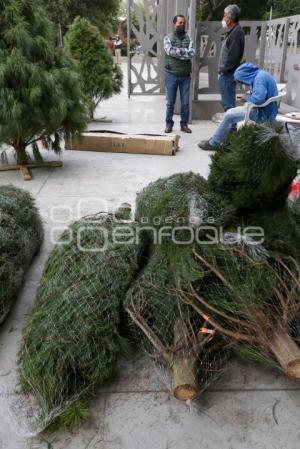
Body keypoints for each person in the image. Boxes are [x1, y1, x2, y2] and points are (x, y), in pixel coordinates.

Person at [198, 62, 279, 151]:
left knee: (229, 116)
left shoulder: (259, 79)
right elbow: (260, 94)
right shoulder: (261, 74)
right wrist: (249, 96)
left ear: (246, 75)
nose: (244, 83)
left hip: (261, 112)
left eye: (242, 81)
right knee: (229, 112)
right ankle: (219, 139)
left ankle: (213, 143)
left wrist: (246, 98)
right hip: (264, 109)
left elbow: (258, 99)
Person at [164, 15, 195, 134]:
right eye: (179, 23)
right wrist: (184, 54)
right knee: (170, 102)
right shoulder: (168, 38)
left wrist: (177, 53)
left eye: (183, 23)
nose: (181, 25)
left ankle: (184, 124)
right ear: (174, 24)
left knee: (185, 102)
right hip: (171, 74)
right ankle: (168, 124)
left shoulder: (189, 38)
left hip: (185, 76)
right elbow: (169, 51)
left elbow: (191, 53)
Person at [218, 5, 245, 113]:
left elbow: (233, 57)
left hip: (228, 75)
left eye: (224, 15)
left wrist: (223, 70)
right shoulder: (233, 31)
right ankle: (230, 128)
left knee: (228, 105)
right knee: (227, 103)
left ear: (229, 19)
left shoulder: (236, 33)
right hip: (226, 74)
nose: (223, 18)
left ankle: (231, 129)